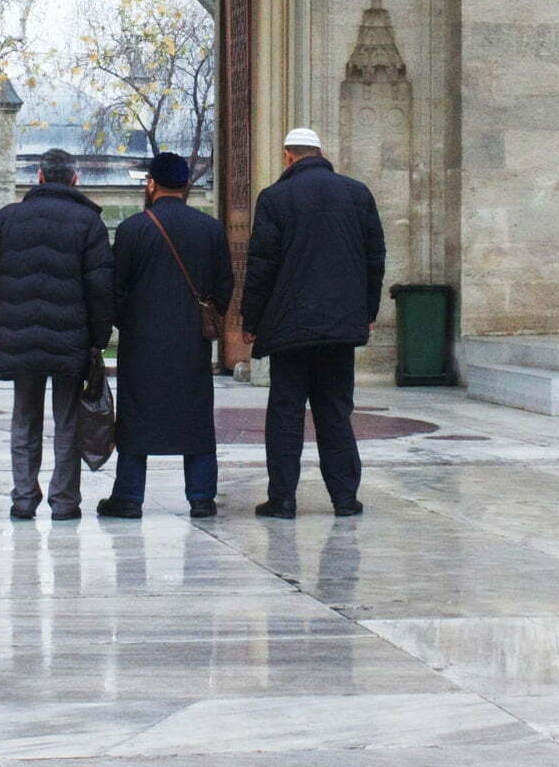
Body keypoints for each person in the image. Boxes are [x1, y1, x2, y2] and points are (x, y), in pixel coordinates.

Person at [239, 127, 385, 519]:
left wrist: (250, 320)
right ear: (322, 152)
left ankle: (283, 499)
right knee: (335, 410)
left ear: (288, 157)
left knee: (286, 412)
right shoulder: (357, 194)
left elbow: (261, 267)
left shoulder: (274, 198)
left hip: (290, 328)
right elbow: (375, 259)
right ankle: (343, 498)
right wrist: (367, 313)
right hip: (339, 327)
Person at [0, 147, 115, 521]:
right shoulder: (88, 222)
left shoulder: (7, 219)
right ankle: (65, 500)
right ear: (74, 179)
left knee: (24, 418)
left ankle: (24, 497)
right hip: (70, 339)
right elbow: (101, 288)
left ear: (39, 176)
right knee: (68, 420)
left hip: (19, 337)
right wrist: (98, 340)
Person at [97, 151, 234, 520]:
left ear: (152, 184)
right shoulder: (210, 229)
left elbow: (116, 291)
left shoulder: (132, 230)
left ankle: (128, 497)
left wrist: (130, 323)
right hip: (191, 341)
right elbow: (225, 286)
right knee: (196, 416)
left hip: (142, 342)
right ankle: (202, 496)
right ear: (186, 185)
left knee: (136, 415)